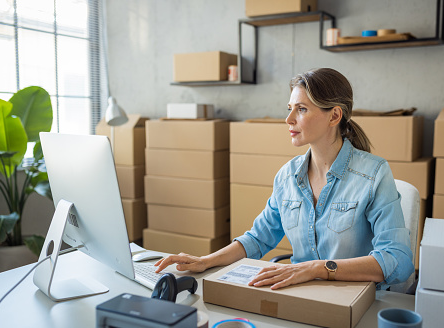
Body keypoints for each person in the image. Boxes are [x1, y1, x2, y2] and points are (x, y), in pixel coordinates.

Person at [154, 68, 414, 290]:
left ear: (334, 116)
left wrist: (317, 269)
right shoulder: (287, 176)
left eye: (301, 109)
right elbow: (258, 238)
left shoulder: (373, 174)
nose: (288, 119)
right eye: (290, 109)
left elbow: (398, 261)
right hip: (299, 294)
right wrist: (206, 261)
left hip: (354, 298)